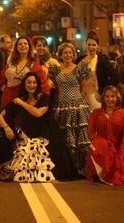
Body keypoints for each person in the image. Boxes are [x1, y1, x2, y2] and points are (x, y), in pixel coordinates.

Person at [0, 72, 55, 182]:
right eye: (29, 82)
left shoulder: (44, 98)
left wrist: (21, 103)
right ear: (24, 84)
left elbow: (38, 113)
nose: (31, 85)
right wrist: (6, 127)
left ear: (38, 85)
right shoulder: (20, 99)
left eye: (34, 82)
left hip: (42, 137)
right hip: (24, 137)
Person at [49, 42, 91, 175]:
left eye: (70, 53)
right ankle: (68, 168)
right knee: (65, 139)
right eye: (65, 53)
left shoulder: (80, 68)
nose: (68, 55)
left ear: (73, 55)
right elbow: (53, 88)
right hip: (62, 108)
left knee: (80, 138)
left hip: (78, 106)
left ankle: (81, 168)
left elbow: (84, 89)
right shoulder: (55, 70)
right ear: (60, 55)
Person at [85, 86, 124, 185]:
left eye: (113, 96)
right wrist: (100, 145)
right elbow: (90, 133)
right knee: (100, 145)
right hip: (102, 149)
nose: (110, 99)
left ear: (117, 98)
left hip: (119, 149)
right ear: (103, 98)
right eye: (107, 96)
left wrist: (121, 153)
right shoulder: (95, 113)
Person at [0, 36, 50, 109]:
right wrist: (2, 84)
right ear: (16, 47)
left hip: (24, 98)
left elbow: (42, 82)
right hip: (8, 96)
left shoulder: (33, 63)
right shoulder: (10, 62)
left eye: (25, 44)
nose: (22, 45)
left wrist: (44, 100)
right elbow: (2, 76)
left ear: (29, 47)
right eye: (20, 44)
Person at [76, 31, 120, 110]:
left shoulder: (102, 61)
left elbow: (116, 76)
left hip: (97, 98)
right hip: (80, 98)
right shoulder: (79, 60)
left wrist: (105, 89)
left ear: (97, 46)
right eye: (89, 44)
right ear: (86, 45)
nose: (91, 47)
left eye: (94, 45)